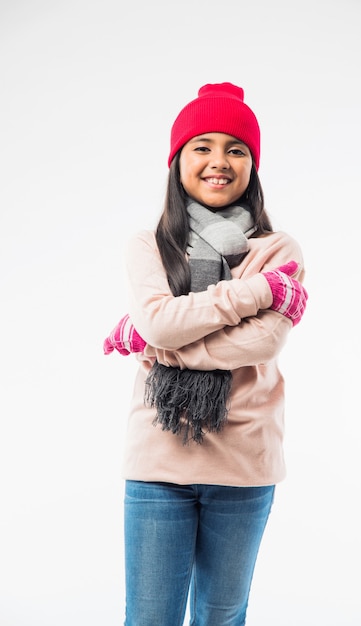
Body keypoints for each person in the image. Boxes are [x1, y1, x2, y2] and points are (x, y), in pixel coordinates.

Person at [103, 82, 308, 626]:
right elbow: (159, 322)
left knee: (222, 617)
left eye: (236, 149)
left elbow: (260, 342)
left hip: (244, 464)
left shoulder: (276, 249)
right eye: (203, 146)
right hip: (158, 462)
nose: (219, 161)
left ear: (252, 166)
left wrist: (159, 344)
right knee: (149, 618)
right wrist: (257, 292)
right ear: (178, 161)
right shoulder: (149, 244)